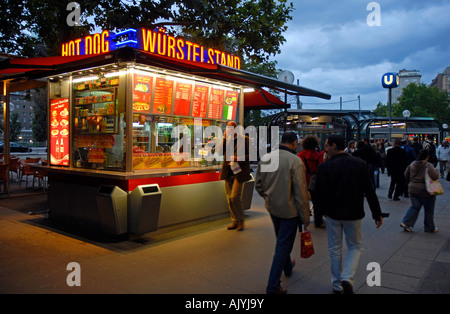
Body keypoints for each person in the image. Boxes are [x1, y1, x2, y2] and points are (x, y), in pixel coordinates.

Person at [314, 134, 383, 294]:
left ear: (333, 146)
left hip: (332, 214)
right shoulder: (359, 164)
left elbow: (319, 194)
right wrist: (376, 213)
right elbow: (369, 190)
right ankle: (347, 277)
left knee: (335, 248)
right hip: (354, 212)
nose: (325, 148)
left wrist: (319, 215)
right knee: (355, 246)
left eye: (326, 145)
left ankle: (337, 285)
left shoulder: (324, 167)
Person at [255, 131, 310, 294]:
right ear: (294, 143)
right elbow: (301, 193)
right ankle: (273, 286)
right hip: (290, 212)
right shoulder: (296, 161)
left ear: (281, 141)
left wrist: (268, 197)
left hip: (273, 208)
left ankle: (288, 266)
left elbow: (258, 184)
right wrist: (305, 216)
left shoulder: (266, 158)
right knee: (282, 246)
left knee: (282, 240)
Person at [219, 121, 251, 231]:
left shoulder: (245, 139)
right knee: (229, 199)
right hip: (228, 172)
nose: (229, 131)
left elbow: (251, 155)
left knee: (234, 197)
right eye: (227, 129)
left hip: (239, 172)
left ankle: (241, 220)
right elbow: (219, 152)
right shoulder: (227, 140)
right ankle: (235, 221)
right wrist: (224, 139)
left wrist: (239, 158)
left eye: (231, 129)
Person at [400, 149, 439, 233]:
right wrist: (436, 171)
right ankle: (429, 227)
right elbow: (435, 176)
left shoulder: (412, 164)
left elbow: (406, 174)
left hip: (413, 189)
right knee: (429, 209)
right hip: (425, 190)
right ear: (427, 157)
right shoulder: (428, 165)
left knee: (415, 207)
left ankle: (406, 222)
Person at [297, 135, 324, 227]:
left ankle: (303, 219)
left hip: (303, 179)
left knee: (303, 201)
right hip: (314, 182)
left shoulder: (301, 155)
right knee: (317, 202)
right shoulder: (318, 155)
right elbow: (321, 168)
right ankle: (318, 221)